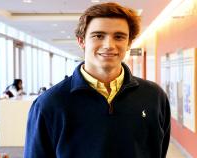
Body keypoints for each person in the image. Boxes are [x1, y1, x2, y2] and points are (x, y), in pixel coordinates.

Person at [24, 2, 170, 158]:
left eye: (119, 37)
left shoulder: (154, 96)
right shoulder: (50, 103)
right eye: (98, 36)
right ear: (81, 41)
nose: (109, 45)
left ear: (129, 43)